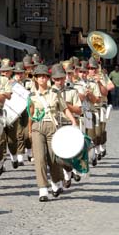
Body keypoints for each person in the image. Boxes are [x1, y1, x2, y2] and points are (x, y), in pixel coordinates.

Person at [27, 64, 77, 202]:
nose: (42, 79)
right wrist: (29, 130)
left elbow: (64, 108)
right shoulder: (32, 95)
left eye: (44, 76)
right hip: (38, 126)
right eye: (39, 76)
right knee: (39, 158)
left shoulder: (55, 93)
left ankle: (56, 182)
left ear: (48, 78)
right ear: (36, 79)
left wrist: (73, 121)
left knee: (53, 158)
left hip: (52, 126)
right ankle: (43, 189)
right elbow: (30, 114)